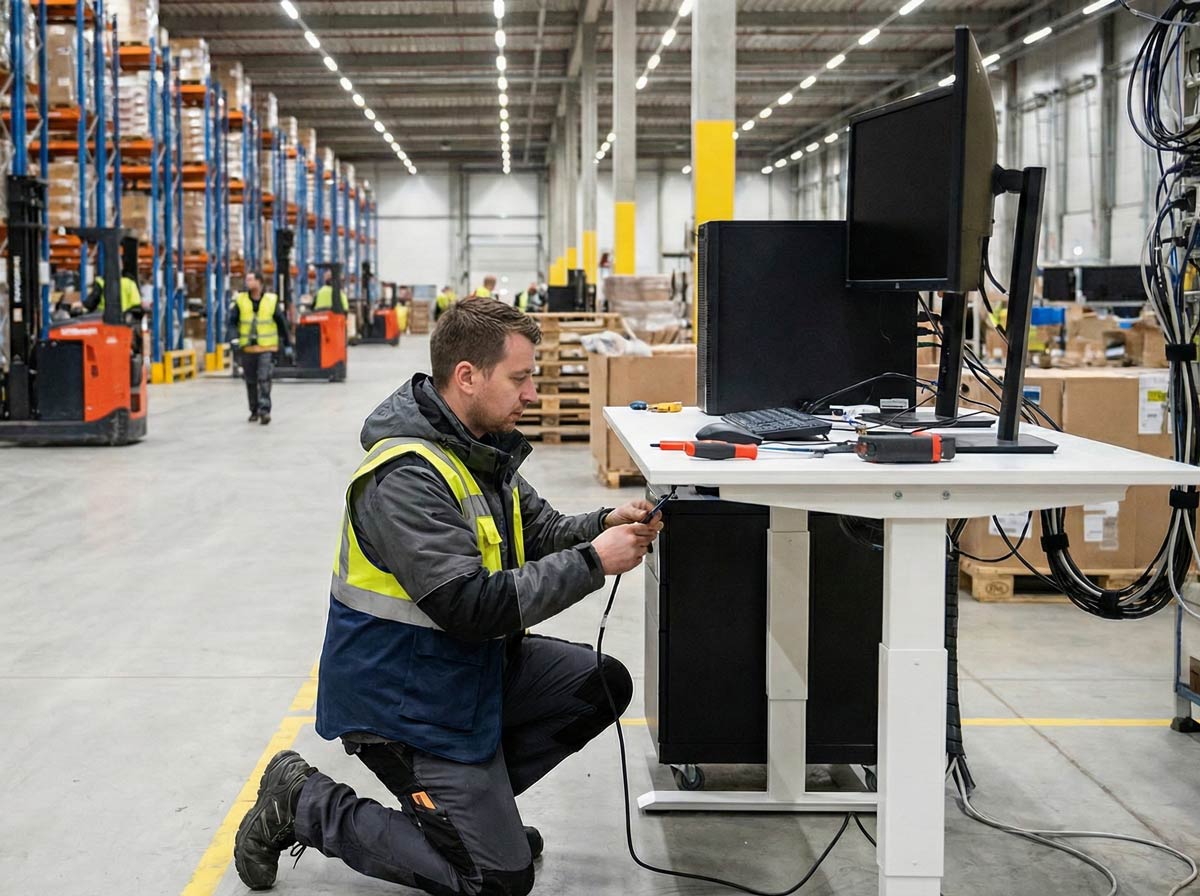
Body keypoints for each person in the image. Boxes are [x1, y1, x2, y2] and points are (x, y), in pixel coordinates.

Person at [232, 298, 663, 895]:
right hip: (406, 698)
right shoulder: (406, 476)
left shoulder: (479, 447)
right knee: (495, 880)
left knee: (599, 682)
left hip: (463, 674)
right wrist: (595, 561)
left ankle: (463, 820)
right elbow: (469, 606)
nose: (532, 393)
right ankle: (303, 802)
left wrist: (601, 521)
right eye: (520, 378)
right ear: (467, 376)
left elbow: (536, 529)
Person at [228, 272, 292, 425]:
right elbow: (232, 322)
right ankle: (254, 410)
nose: (247, 282)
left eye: (250, 279)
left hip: (266, 348)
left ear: (259, 282)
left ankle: (265, 410)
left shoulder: (271, 301)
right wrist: (233, 338)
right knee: (250, 381)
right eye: (247, 279)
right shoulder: (240, 300)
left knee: (264, 378)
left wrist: (288, 344)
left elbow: (281, 323)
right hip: (248, 349)